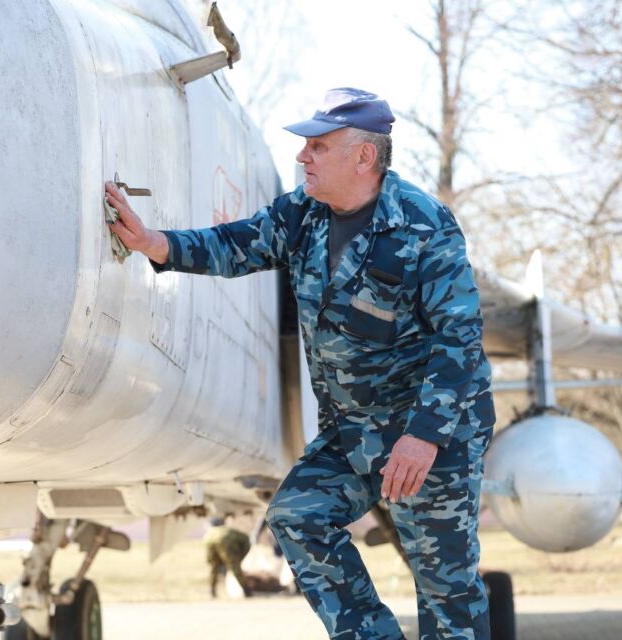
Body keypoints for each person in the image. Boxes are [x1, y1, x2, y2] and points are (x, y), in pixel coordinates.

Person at [105, 87, 496, 640]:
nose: (302, 156)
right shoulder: (303, 215)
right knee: (297, 513)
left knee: (444, 587)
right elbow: (236, 244)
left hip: (429, 435)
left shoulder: (423, 225)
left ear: (364, 156)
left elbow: (459, 339)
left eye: (318, 145)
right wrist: (154, 243)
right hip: (353, 431)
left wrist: (425, 436)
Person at [203, 517, 252, 598]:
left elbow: (210, 557)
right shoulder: (229, 531)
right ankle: (246, 590)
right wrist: (240, 557)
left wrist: (211, 561)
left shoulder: (210, 533)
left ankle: (212, 590)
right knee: (235, 569)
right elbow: (246, 540)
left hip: (209, 540)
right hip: (226, 541)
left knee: (214, 568)